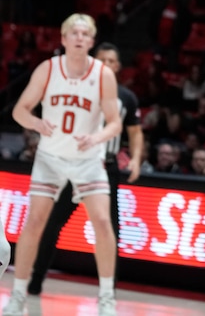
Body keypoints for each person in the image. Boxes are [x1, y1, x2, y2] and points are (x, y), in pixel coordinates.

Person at [2, 14, 122, 316]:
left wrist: (96, 138)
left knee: (104, 224)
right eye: (74, 33)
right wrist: (35, 123)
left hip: (87, 159)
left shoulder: (103, 74)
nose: (80, 38)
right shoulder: (48, 69)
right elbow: (19, 110)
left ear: (91, 41)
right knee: (34, 223)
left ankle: (107, 297)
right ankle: (18, 294)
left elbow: (115, 123)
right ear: (64, 38)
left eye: (85, 34)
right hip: (50, 158)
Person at [27, 41, 144, 297]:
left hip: (106, 166)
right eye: (103, 60)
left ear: (119, 66)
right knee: (52, 222)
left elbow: (135, 133)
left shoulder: (126, 97)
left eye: (112, 61)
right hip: (72, 162)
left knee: (108, 228)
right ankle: (34, 281)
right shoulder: (76, 87)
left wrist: (135, 159)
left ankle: (108, 292)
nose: (108, 65)